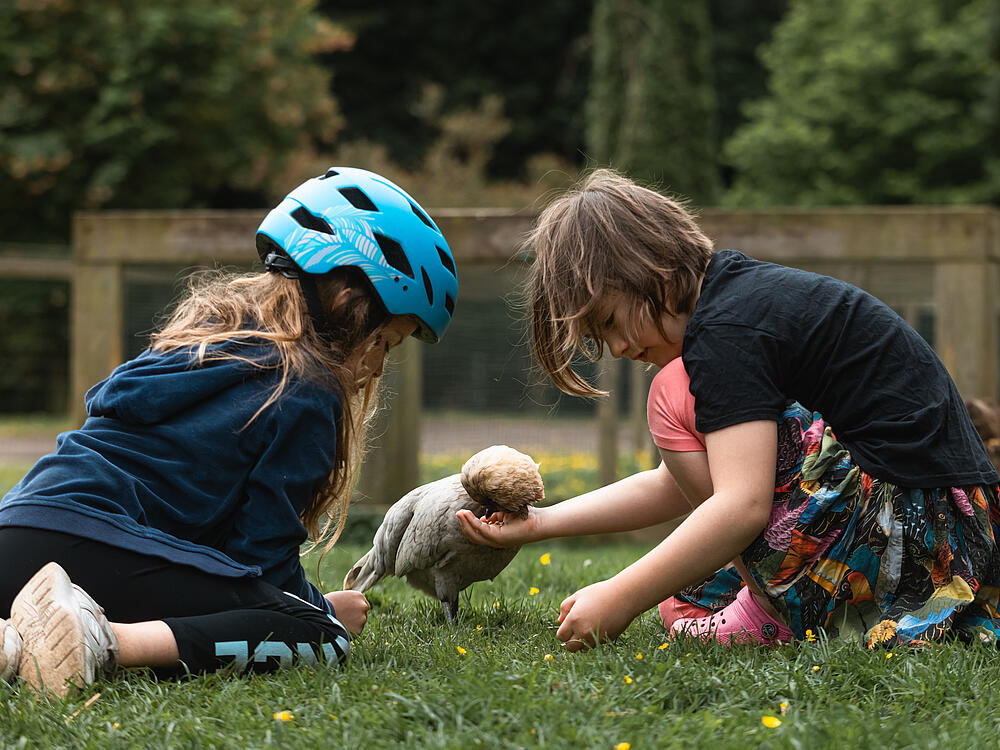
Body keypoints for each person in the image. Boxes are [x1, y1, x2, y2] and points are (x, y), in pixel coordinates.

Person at [458, 168, 1000, 651]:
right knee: (681, 598)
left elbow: (740, 504)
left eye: (608, 322)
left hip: (908, 526)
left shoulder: (722, 334)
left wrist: (620, 597)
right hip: (945, 532)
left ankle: (777, 612)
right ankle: (781, 603)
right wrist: (541, 524)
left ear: (649, 270)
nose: (619, 349)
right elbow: (682, 482)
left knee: (674, 391)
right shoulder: (739, 300)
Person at [0, 167, 459, 696]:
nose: (378, 367)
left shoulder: (203, 340)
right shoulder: (307, 391)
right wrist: (320, 606)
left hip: (18, 532)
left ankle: (18, 642)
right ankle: (100, 642)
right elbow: (259, 562)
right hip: (94, 549)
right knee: (321, 638)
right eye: (387, 343)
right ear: (348, 302)